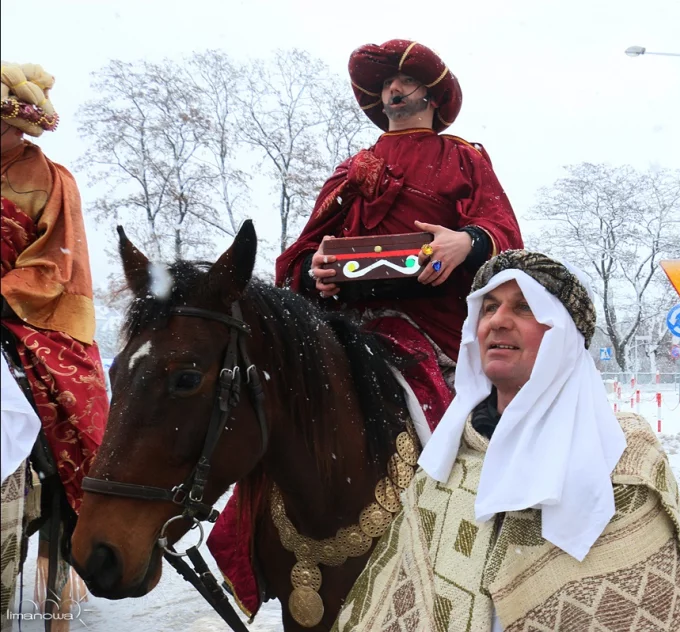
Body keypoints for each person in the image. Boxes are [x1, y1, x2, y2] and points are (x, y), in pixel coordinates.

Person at [210, 41, 523, 617]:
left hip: (433, 330)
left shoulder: (465, 159)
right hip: (345, 325)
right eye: (385, 83)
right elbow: (302, 257)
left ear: (432, 93)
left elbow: (504, 235)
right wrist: (317, 270)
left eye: (405, 79)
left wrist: (466, 241)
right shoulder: (348, 170)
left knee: (477, 433)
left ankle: (489, 535)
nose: (393, 89)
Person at [330, 250, 680, 632]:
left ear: (563, 335)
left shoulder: (622, 459)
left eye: (524, 307)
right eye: (488, 307)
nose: (497, 321)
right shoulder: (447, 460)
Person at [1, 61, 104, 628]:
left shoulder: (53, 179)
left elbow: (52, 266)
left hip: (28, 318)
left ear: (19, 127)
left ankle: (69, 513)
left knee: (75, 418)